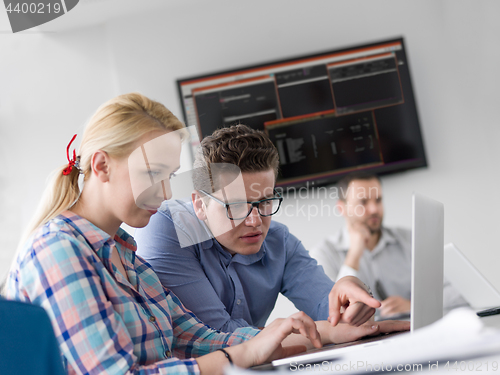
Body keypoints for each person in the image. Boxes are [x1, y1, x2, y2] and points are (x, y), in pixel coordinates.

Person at [4, 93, 333, 375]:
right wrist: (243, 355)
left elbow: (191, 337)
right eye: (152, 174)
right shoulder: (58, 251)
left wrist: (291, 334)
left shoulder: (126, 256)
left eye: (170, 176)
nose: (164, 194)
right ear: (102, 166)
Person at [135, 125, 409, 337]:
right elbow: (214, 335)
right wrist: (327, 333)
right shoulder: (165, 227)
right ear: (200, 204)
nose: (255, 221)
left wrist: (353, 299)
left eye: (264, 202)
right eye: (238, 206)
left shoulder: (280, 242)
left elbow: (334, 317)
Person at [309, 172, 468, 318]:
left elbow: (461, 290)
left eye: (378, 200)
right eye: (363, 202)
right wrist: (354, 255)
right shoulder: (324, 253)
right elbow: (330, 312)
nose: (374, 209)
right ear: (341, 208)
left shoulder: (409, 239)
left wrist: (413, 306)